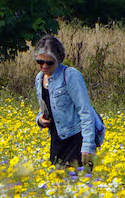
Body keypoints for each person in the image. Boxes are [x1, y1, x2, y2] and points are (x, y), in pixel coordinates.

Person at [32, 35, 102, 172]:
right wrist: (40, 120)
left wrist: (88, 146)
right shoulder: (39, 78)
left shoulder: (70, 75)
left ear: (58, 60)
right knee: (58, 186)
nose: (44, 66)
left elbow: (85, 110)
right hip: (57, 141)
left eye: (49, 62)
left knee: (78, 184)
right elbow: (44, 109)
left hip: (77, 139)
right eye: (40, 62)